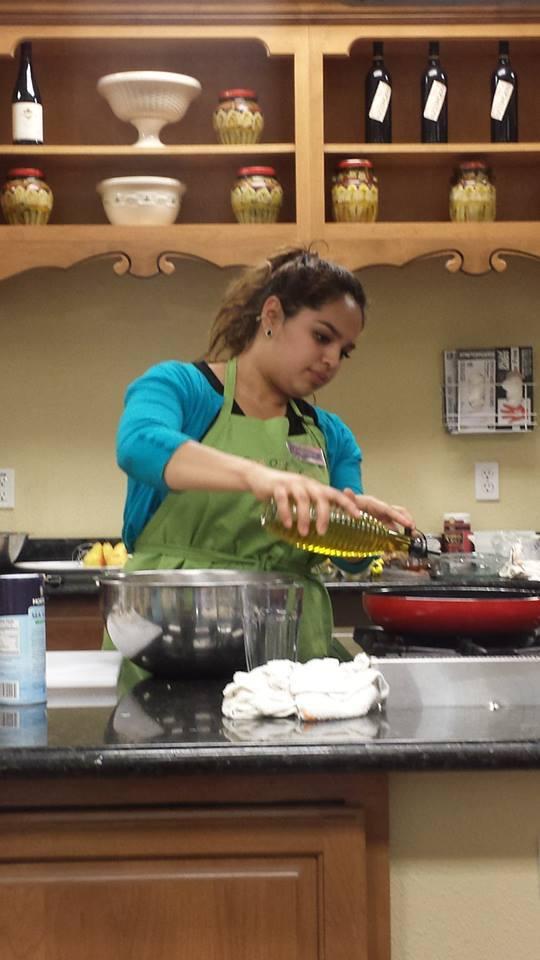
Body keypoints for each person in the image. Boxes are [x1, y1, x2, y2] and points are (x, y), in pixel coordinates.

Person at [112, 248, 414, 679]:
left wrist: (365, 530)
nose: (331, 360)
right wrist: (257, 475)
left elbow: (347, 562)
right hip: (170, 641)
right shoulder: (183, 388)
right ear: (272, 314)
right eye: (322, 337)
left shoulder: (331, 436)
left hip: (288, 652)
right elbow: (138, 445)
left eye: (344, 351)